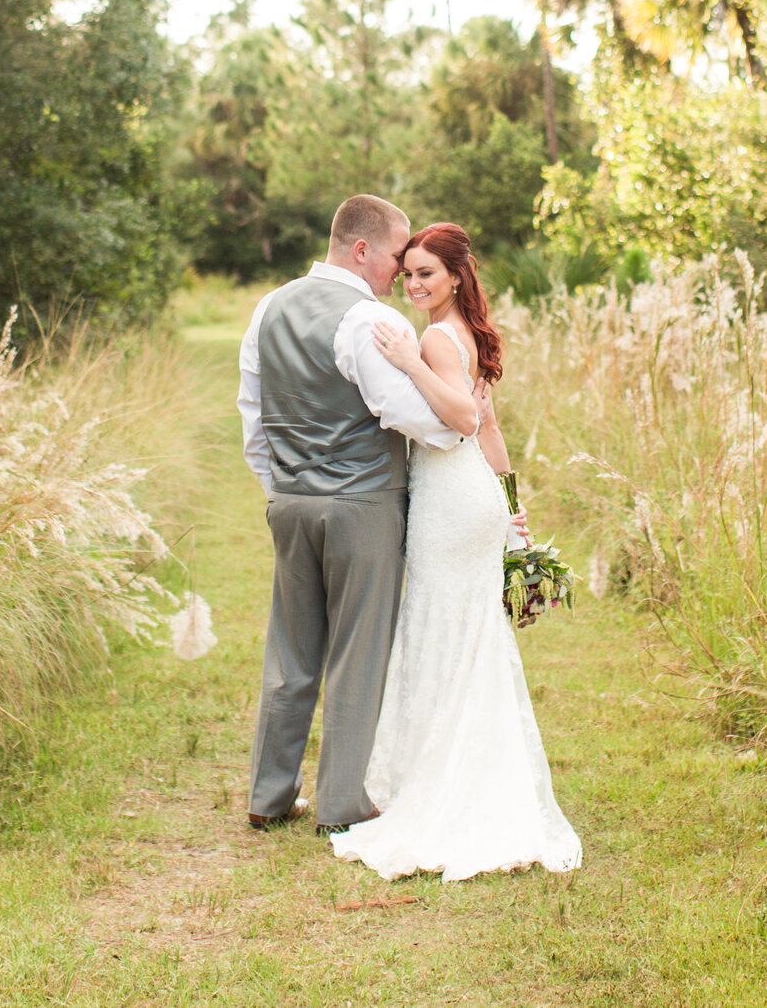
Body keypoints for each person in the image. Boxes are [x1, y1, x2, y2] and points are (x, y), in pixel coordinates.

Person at [330, 221, 581, 882]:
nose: (412, 284)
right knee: (472, 636)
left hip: (449, 505)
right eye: (407, 272)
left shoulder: (438, 338)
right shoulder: (469, 335)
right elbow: (492, 429)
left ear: (456, 277)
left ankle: (440, 783)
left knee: (440, 630)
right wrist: (513, 507)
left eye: (425, 274)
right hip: (477, 497)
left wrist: (409, 362)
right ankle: (473, 771)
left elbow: (465, 421)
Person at [240, 195, 470, 833]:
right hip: (361, 505)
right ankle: (341, 804)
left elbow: (253, 414)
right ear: (363, 249)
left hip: (289, 503)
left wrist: (281, 487)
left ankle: (269, 796)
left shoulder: (268, 306)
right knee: (356, 652)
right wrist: (461, 426)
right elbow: (407, 412)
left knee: (289, 651)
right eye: (398, 255)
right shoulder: (364, 319)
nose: (402, 270)